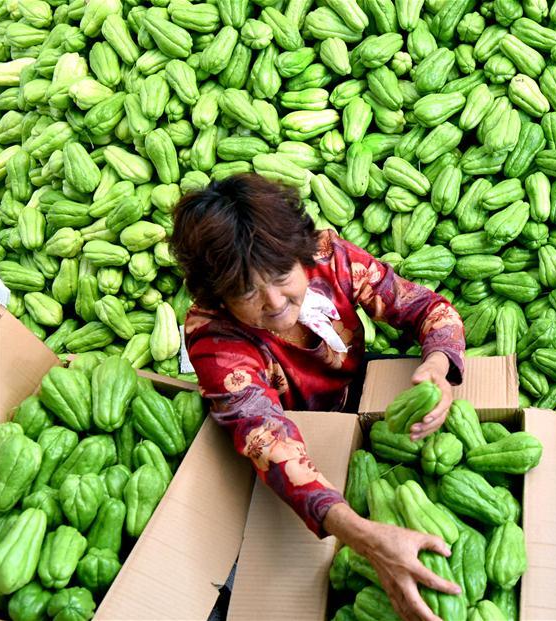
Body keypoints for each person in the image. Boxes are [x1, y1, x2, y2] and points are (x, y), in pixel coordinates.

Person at [169, 173, 467, 621]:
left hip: (356, 398)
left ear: (300, 253)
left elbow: (425, 307)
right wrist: (366, 538)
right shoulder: (214, 337)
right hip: (291, 447)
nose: (274, 301)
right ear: (218, 295)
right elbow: (267, 441)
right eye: (246, 290)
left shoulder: (330, 258)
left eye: (282, 274)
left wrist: (438, 367)